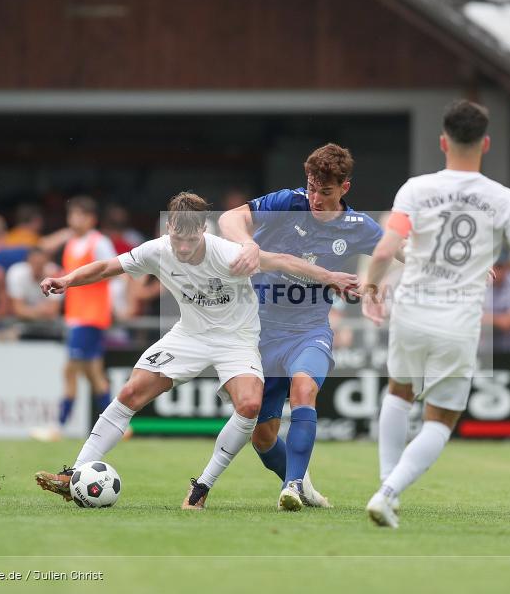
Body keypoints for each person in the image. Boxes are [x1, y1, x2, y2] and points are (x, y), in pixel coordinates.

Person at [34, 192, 359, 509]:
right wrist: (66, 280)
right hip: (189, 336)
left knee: (249, 405)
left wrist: (331, 277)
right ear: (169, 230)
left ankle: (201, 487)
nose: (184, 247)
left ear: (204, 230)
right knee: (131, 392)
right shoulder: (157, 250)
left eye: (191, 239)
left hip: (237, 339)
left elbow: (284, 262)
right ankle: (75, 472)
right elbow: (106, 268)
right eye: (178, 239)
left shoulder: (228, 253)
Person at [361, 100, 510, 528]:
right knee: (441, 418)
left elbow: (384, 248)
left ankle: (385, 482)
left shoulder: (416, 188)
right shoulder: (501, 198)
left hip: (412, 307)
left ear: (442, 141)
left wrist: (371, 289)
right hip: (458, 320)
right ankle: (388, 491)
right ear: (485, 143)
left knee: (398, 392)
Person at [220, 143, 387, 510]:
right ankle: (301, 484)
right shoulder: (286, 202)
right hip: (259, 331)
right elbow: (230, 218)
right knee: (263, 438)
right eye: (311, 187)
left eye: (324, 191)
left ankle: (293, 485)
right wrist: (247, 243)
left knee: (303, 388)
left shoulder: (358, 226)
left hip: (308, 331)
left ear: (345, 188)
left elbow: (404, 249)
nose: (314, 197)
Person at [31, 197, 116, 442]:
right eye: (72, 215)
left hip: (91, 316)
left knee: (70, 371)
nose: (74, 220)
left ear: (91, 218)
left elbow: (112, 271)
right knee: (93, 374)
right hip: (76, 315)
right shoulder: (71, 244)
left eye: (79, 215)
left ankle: (58, 427)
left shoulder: (99, 242)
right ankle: (120, 427)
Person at [6, 247, 62, 339]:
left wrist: (28, 311)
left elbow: (53, 311)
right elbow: (18, 310)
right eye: (35, 263)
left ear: (47, 263)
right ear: (28, 262)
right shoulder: (16, 273)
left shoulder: (55, 274)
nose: (38, 267)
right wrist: (41, 310)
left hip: (49, 325)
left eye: (41, 264)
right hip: (21, 322)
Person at [482, 251, 510, 353]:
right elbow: (472, 318)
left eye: (499, 266)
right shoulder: (479, 281)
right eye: (491, 266)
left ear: (508, 267)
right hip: (483, 351)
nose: (494, 271)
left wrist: (488, 319)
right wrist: (501, 320)